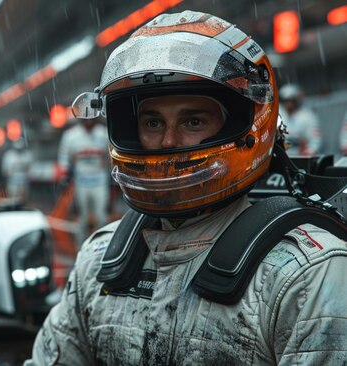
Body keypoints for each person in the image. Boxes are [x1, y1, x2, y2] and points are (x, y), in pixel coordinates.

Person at [27, 10, 347, 365]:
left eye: (193, 121)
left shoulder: (304, 277)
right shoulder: (100, 259)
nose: (168, 141)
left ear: (248, 123)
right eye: (152, 122)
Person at [57, 117, 109, 247]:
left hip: (100, 181)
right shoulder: (71, 135)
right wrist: (65, 174)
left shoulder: (104, 133)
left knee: (101, 217)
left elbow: (111, 155)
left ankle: (102, 247)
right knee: (82, 218)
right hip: (81, 182)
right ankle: (80, 248)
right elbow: (63, 156)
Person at [278, 83, 321, 156]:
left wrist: (310, 150)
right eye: (286, 100)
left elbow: (316, 138)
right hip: (282, 155)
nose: (289, 103)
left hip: (302, 155)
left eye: (291, 100)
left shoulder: (307, 116)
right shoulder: (279, 115)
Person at [1, 138, 34, 202]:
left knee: (23, 196)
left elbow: (31, 168)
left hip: (24, 180)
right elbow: (5, 169)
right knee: (12, 195)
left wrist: (29, 175)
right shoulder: (9, 155)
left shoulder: (27, 155)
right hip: (13, 180)